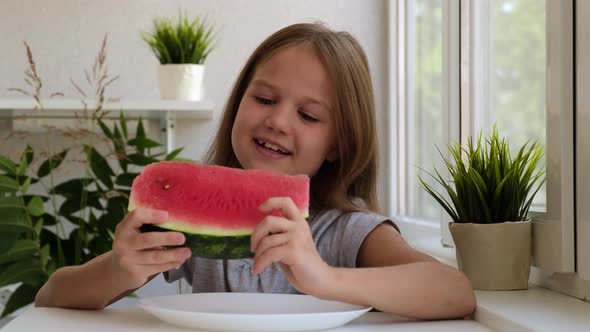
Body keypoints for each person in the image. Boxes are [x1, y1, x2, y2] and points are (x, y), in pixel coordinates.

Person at [35, 22, 476, 319]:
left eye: (309, 115)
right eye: (264, 100)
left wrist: (321, 276)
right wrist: (121, 268)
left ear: (339, 144)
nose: (278, 121)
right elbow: (53, 295)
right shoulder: (185, 227)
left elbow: (454, 291)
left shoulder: (346, 232)